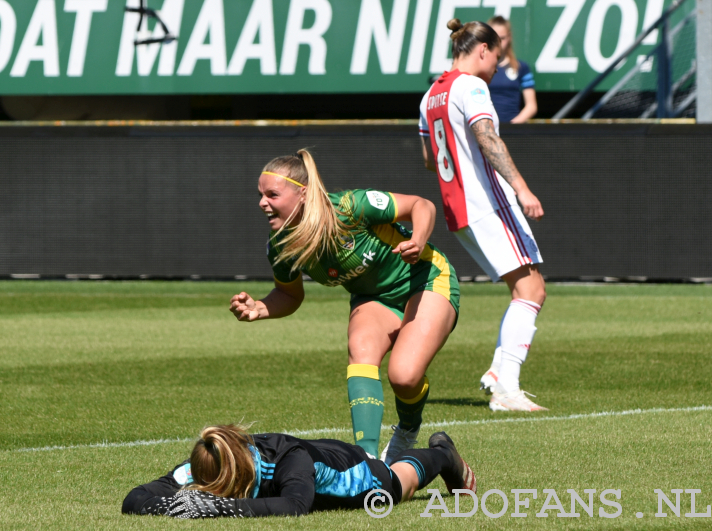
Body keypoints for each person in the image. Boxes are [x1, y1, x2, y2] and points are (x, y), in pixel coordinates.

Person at [228, 149, 460, 464]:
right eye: (260, 195)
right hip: (374, 298)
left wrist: (418, 240)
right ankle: (367, 461)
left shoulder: (350, 207)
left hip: (425, 278)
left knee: (403, 376)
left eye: (272, 194)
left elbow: (422, 205)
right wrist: (260, 307)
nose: (262, 202)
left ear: (303, 194)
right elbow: (290, 295)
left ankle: (407, 429)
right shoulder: (281, 245)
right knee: (360, 347)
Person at [418, 19, 547, 412]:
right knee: (532, 290)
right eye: (496, 55)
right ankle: (507, 388)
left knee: (522, 289)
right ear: (483, 50)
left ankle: (497, 372)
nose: (497, 66)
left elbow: (428, 160)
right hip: (487, 202)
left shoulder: (430, 95)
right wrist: (522, 188)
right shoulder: (472, 86)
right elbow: (488, 137)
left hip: (458, 209)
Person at [121, 424, 476, 518]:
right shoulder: (208, 459)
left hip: (350, 469)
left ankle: (442, 454)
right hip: (315, 451)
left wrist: (217, 508)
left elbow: (295, 505)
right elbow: (134, 498)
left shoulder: (288, 461)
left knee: (399, 484)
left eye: (219, 491)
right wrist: (165, 505)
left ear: (238, 479)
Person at [486, 16, 538, 123]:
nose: (499, 43)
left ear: (509, 37)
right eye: (494, 38)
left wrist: (512, 126)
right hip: (485, 130)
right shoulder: (481, 68)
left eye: (502, 38)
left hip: (512, 130)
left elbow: (531, 106)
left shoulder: (521, 67)